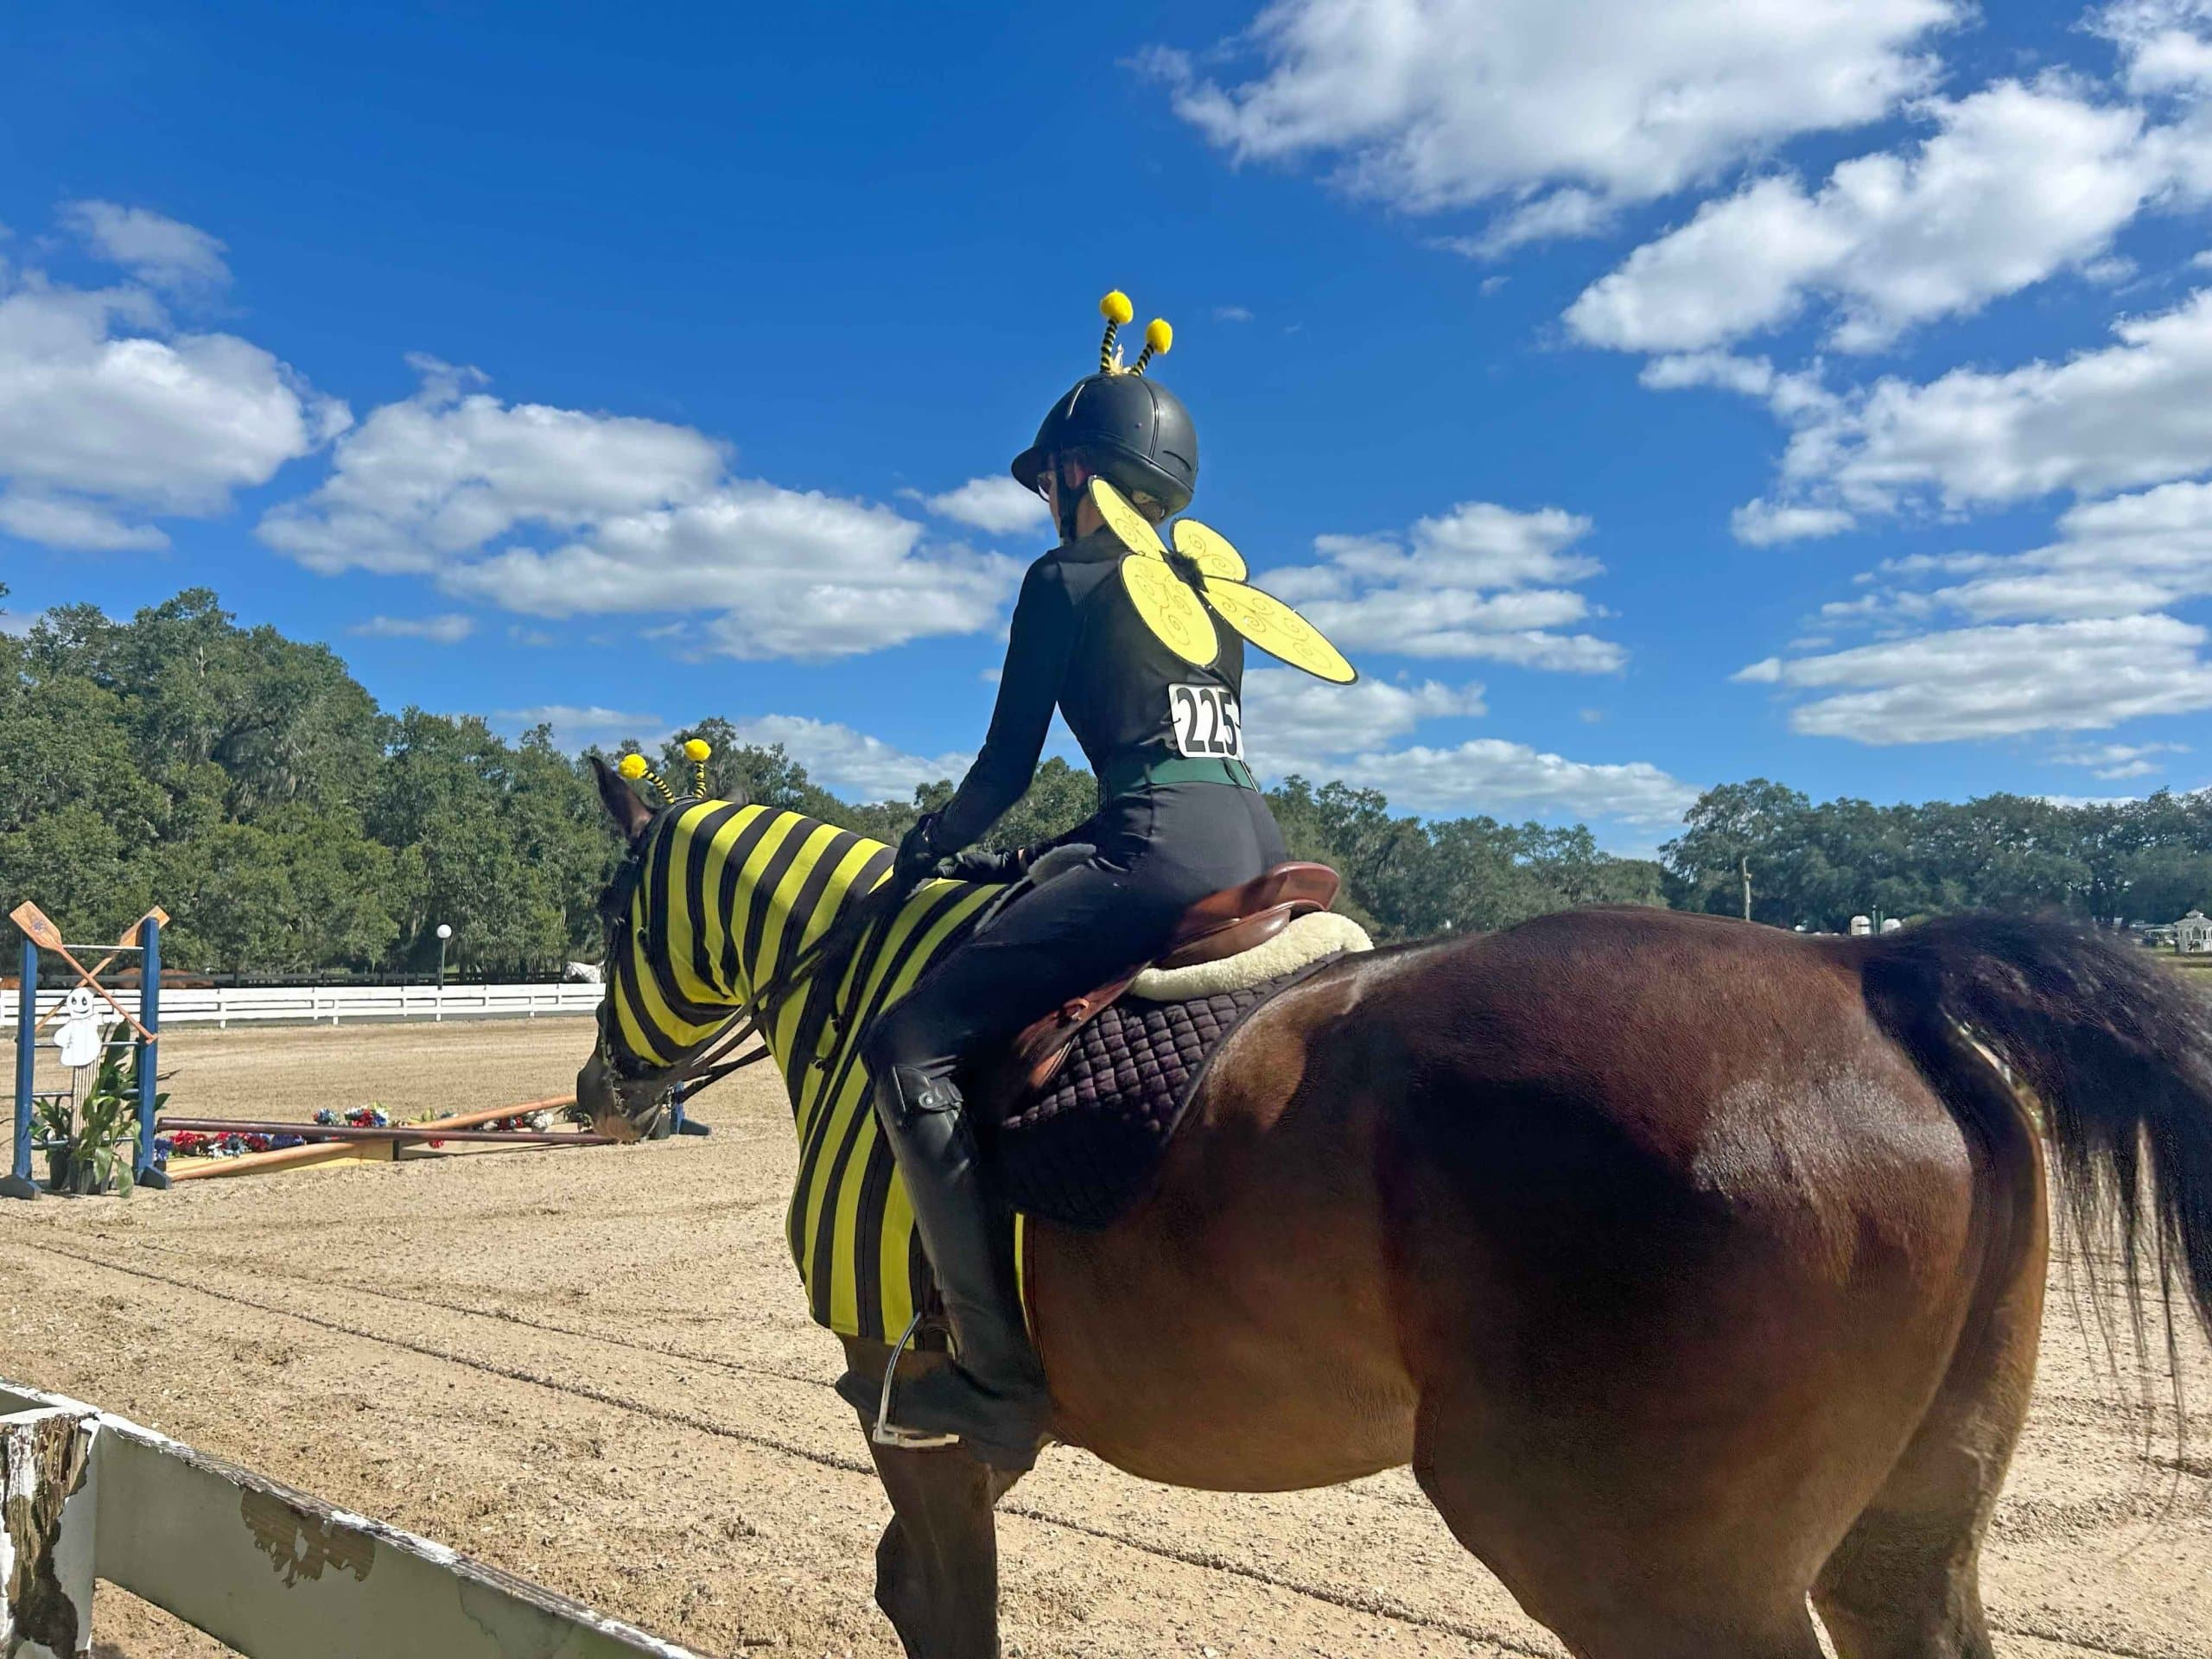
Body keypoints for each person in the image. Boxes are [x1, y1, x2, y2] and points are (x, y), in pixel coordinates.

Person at [855, 295, 1288, 1468]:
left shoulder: (1064, 579)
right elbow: (1168, 753)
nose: (1045, 500)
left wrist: (934, 840)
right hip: (1251, 844)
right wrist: (1044, 860)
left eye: (1052, 478)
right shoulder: (1213, 596)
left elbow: (1006, 767)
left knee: (908, 1049)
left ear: (1079, 475)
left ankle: (995, 1371)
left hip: (1154, 852)